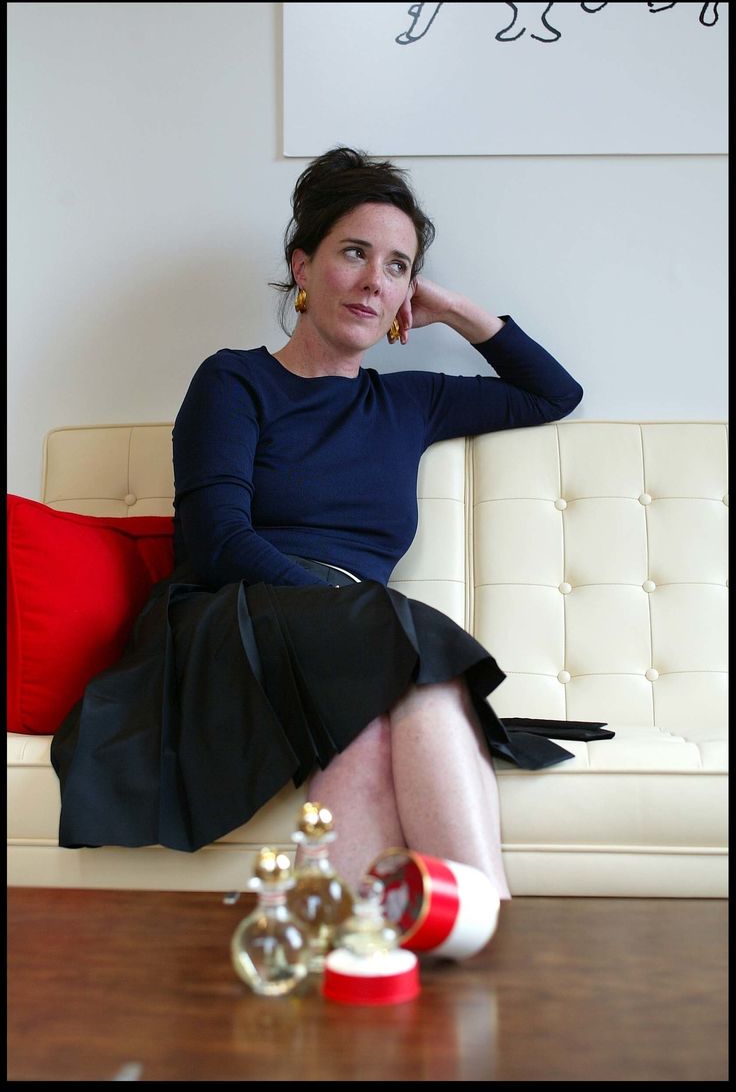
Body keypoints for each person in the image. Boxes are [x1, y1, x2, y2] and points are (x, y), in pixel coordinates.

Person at [51, 146, 589, 901]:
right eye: (355, 254)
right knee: (409, 653)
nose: (376, 280)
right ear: (303, 268)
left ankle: (348, 943)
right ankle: (477, 922)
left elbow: (553, 393)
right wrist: (347, 609)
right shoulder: (234, 381)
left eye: (397, 266)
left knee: (380, 702)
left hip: (355, 639)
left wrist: (454, 308)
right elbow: (216, 542)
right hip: (236, 617)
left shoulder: (411, 402)